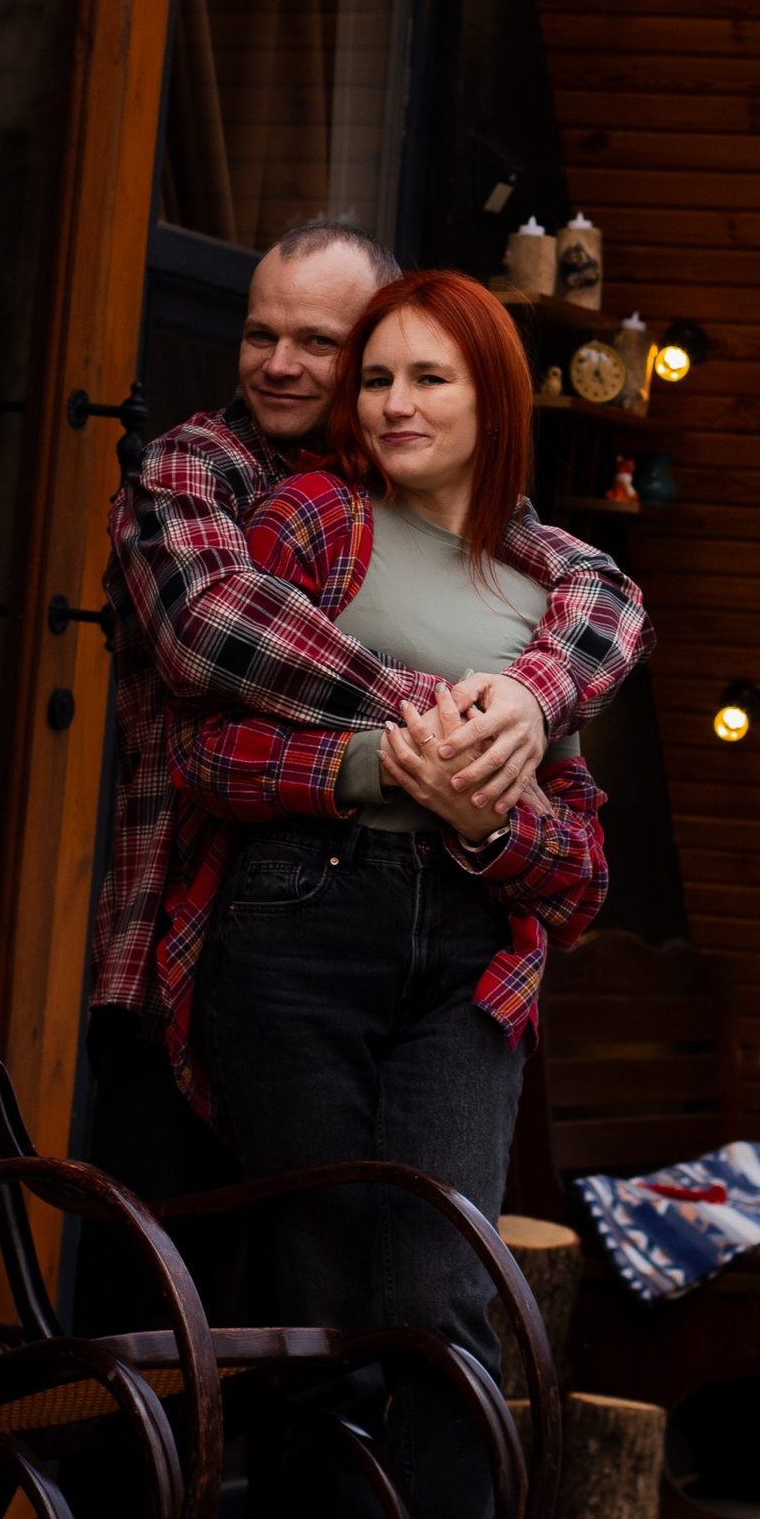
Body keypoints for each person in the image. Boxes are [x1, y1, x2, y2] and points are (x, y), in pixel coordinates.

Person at [162, 267, 606, 1519]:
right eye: (377, 380)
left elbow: (581, 867)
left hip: (468, 961)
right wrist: (383, 764)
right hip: (301, 925)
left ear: (495, 398)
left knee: (441, 1301)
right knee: (314, 1307)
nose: (393, 405)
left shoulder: (553, 596)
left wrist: (489, 819)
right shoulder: (306, 527)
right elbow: (201, 744)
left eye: (430, 378)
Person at [85, 224, 649, 1246]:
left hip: (412, 927)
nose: (280, 363)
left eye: (320, 342)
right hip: (181, 920)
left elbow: (597, 586)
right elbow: (211, 630)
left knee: (370, 1270)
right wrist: (445, 722)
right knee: (175, 1276)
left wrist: (530, 698)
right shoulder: (198, 468)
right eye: (260, 334)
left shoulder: (430, 495)